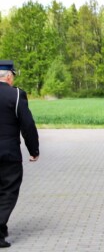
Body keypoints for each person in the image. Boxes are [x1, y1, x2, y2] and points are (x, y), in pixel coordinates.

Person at [0, 60, 39, 248]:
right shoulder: (16, 95)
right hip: (9, 154)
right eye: (13, 76)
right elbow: (28, 125)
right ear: (8, 76)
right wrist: (34, 150)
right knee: (8, 191)